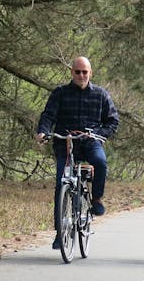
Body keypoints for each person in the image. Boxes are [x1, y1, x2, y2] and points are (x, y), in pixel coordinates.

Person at [36, 56, 119, 250]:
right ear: (71, 72)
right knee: (61, 183)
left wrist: (98, 134)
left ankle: (96, 199)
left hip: (90, 142)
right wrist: (42, 131)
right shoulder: (60, 93)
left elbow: (113, 121)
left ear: (90, 73)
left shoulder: (101, 94)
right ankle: (60, 234)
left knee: (100, 162)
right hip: (65, 142)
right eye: (77, 72)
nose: (81, 75)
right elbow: (48, 115)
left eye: (85, 72)